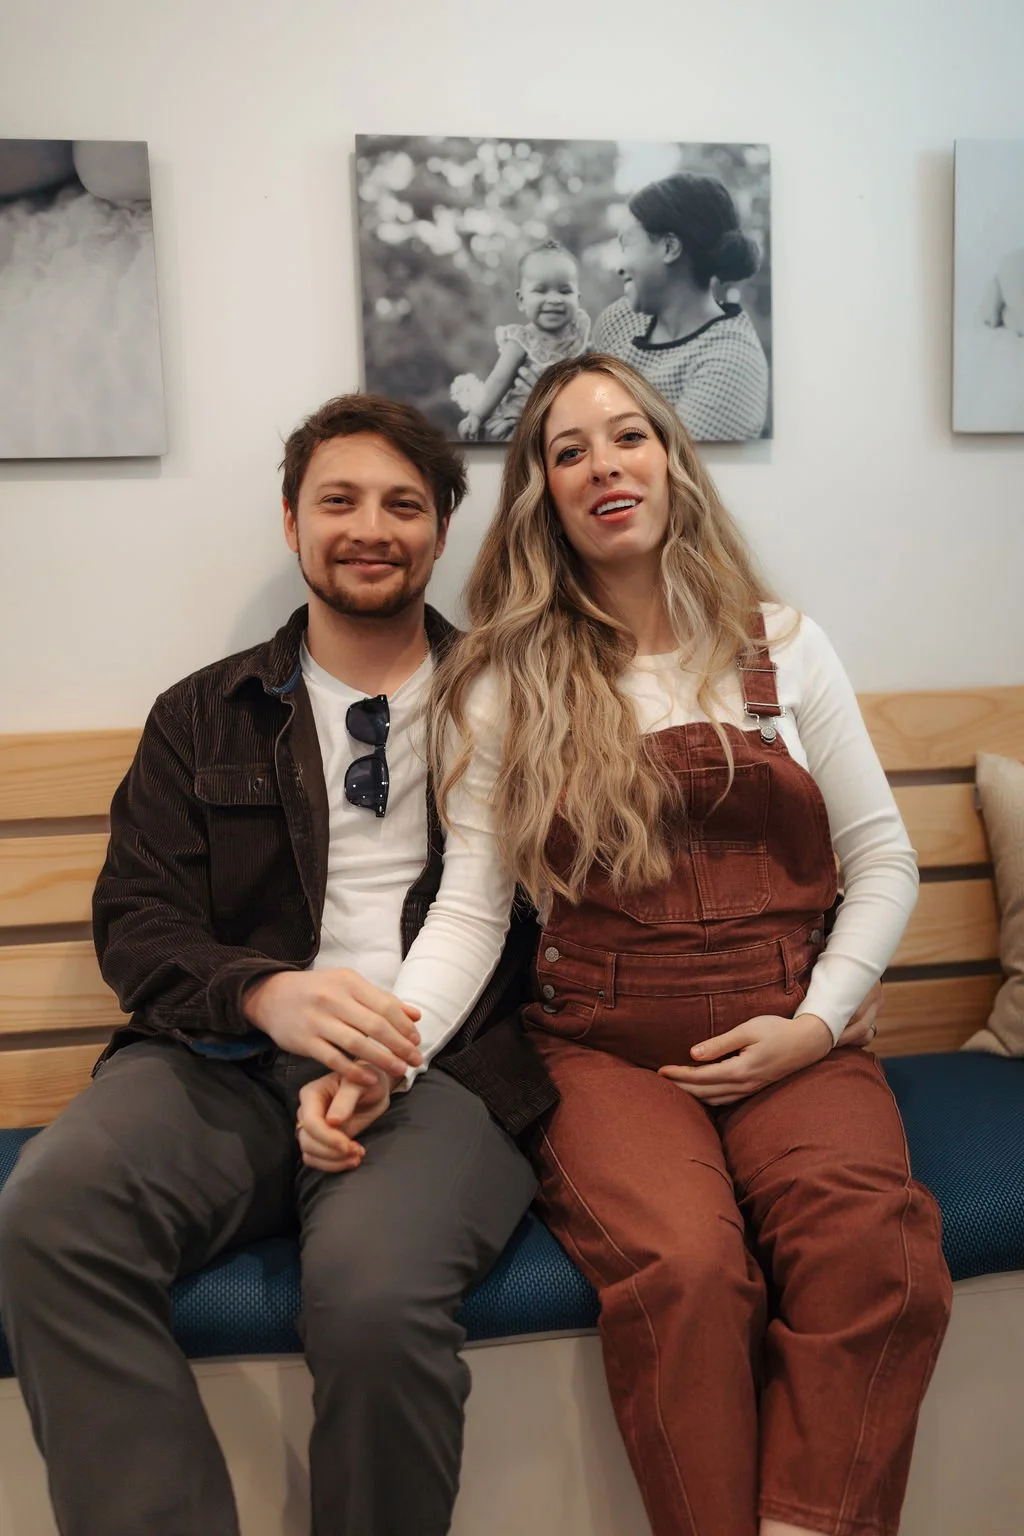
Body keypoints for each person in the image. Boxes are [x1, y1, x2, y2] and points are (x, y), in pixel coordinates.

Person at [0, 393, 552, 1536]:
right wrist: (264, 992)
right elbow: (138, 924)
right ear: (290, 522)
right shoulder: (201, 716)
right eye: (338, 500)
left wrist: (383, 1051)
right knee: (48, 1218)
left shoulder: (510, 700)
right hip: (216, 1062)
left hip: (440, 1077)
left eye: (404, 504)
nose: (370, 527)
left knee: (374, 1304)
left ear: (441, 531)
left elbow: (498, 915)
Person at [428, 353, 952, 1536]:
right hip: (606, 1054)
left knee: (879, 1250)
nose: (604, 465)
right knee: (686, 1272)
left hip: (793, 1031)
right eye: (569, 451)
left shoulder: (781, 647)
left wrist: (817, 1022)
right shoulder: (505, 680)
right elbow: (472, 911)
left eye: (628, 436)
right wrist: (383, 1050)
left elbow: (884, 864)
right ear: (541, 494)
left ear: (671, 460)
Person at [593, 171, 770, 441]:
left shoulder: (730, 362)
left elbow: (673, 470)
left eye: (627, 244)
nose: (618, 266)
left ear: (669, 247)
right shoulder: (620, 320)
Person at [451, 239, 591, 441]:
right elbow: (498, 380)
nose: (554, 299)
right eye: (541, 290)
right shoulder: (522, 340)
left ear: (578, 298)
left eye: (564, 291)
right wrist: (477, 415)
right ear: (521, 300)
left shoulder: (581, 336)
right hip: (522, 421)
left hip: (569, 422)